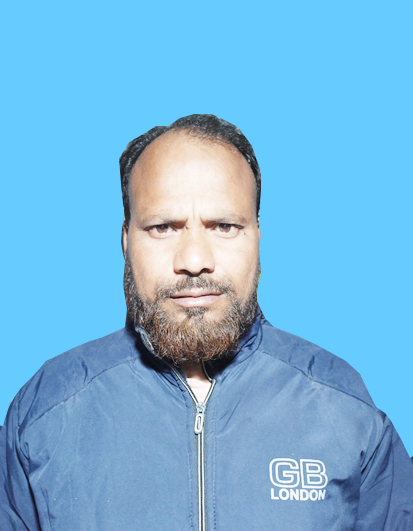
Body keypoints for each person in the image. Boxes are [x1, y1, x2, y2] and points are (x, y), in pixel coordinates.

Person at [0, 114, 412, 531]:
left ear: (257, 237)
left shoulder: (346, 410)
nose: (195, 260)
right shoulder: (43, 414)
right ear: (126, 240)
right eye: (162, 227)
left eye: (225, 226)